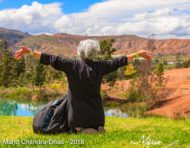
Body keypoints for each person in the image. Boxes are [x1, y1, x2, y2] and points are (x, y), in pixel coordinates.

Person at [14, 39, 153, 134]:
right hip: (97, 116)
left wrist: (30, 52)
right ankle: (97, 128)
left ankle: (80, 129)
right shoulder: (101, 66)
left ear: (80, 52)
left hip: (77, 117)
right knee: (95, 124)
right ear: (95, 53)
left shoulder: (72, 65)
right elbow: (118, 61)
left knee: (74, 123)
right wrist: (137, 54)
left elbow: (51, 59)